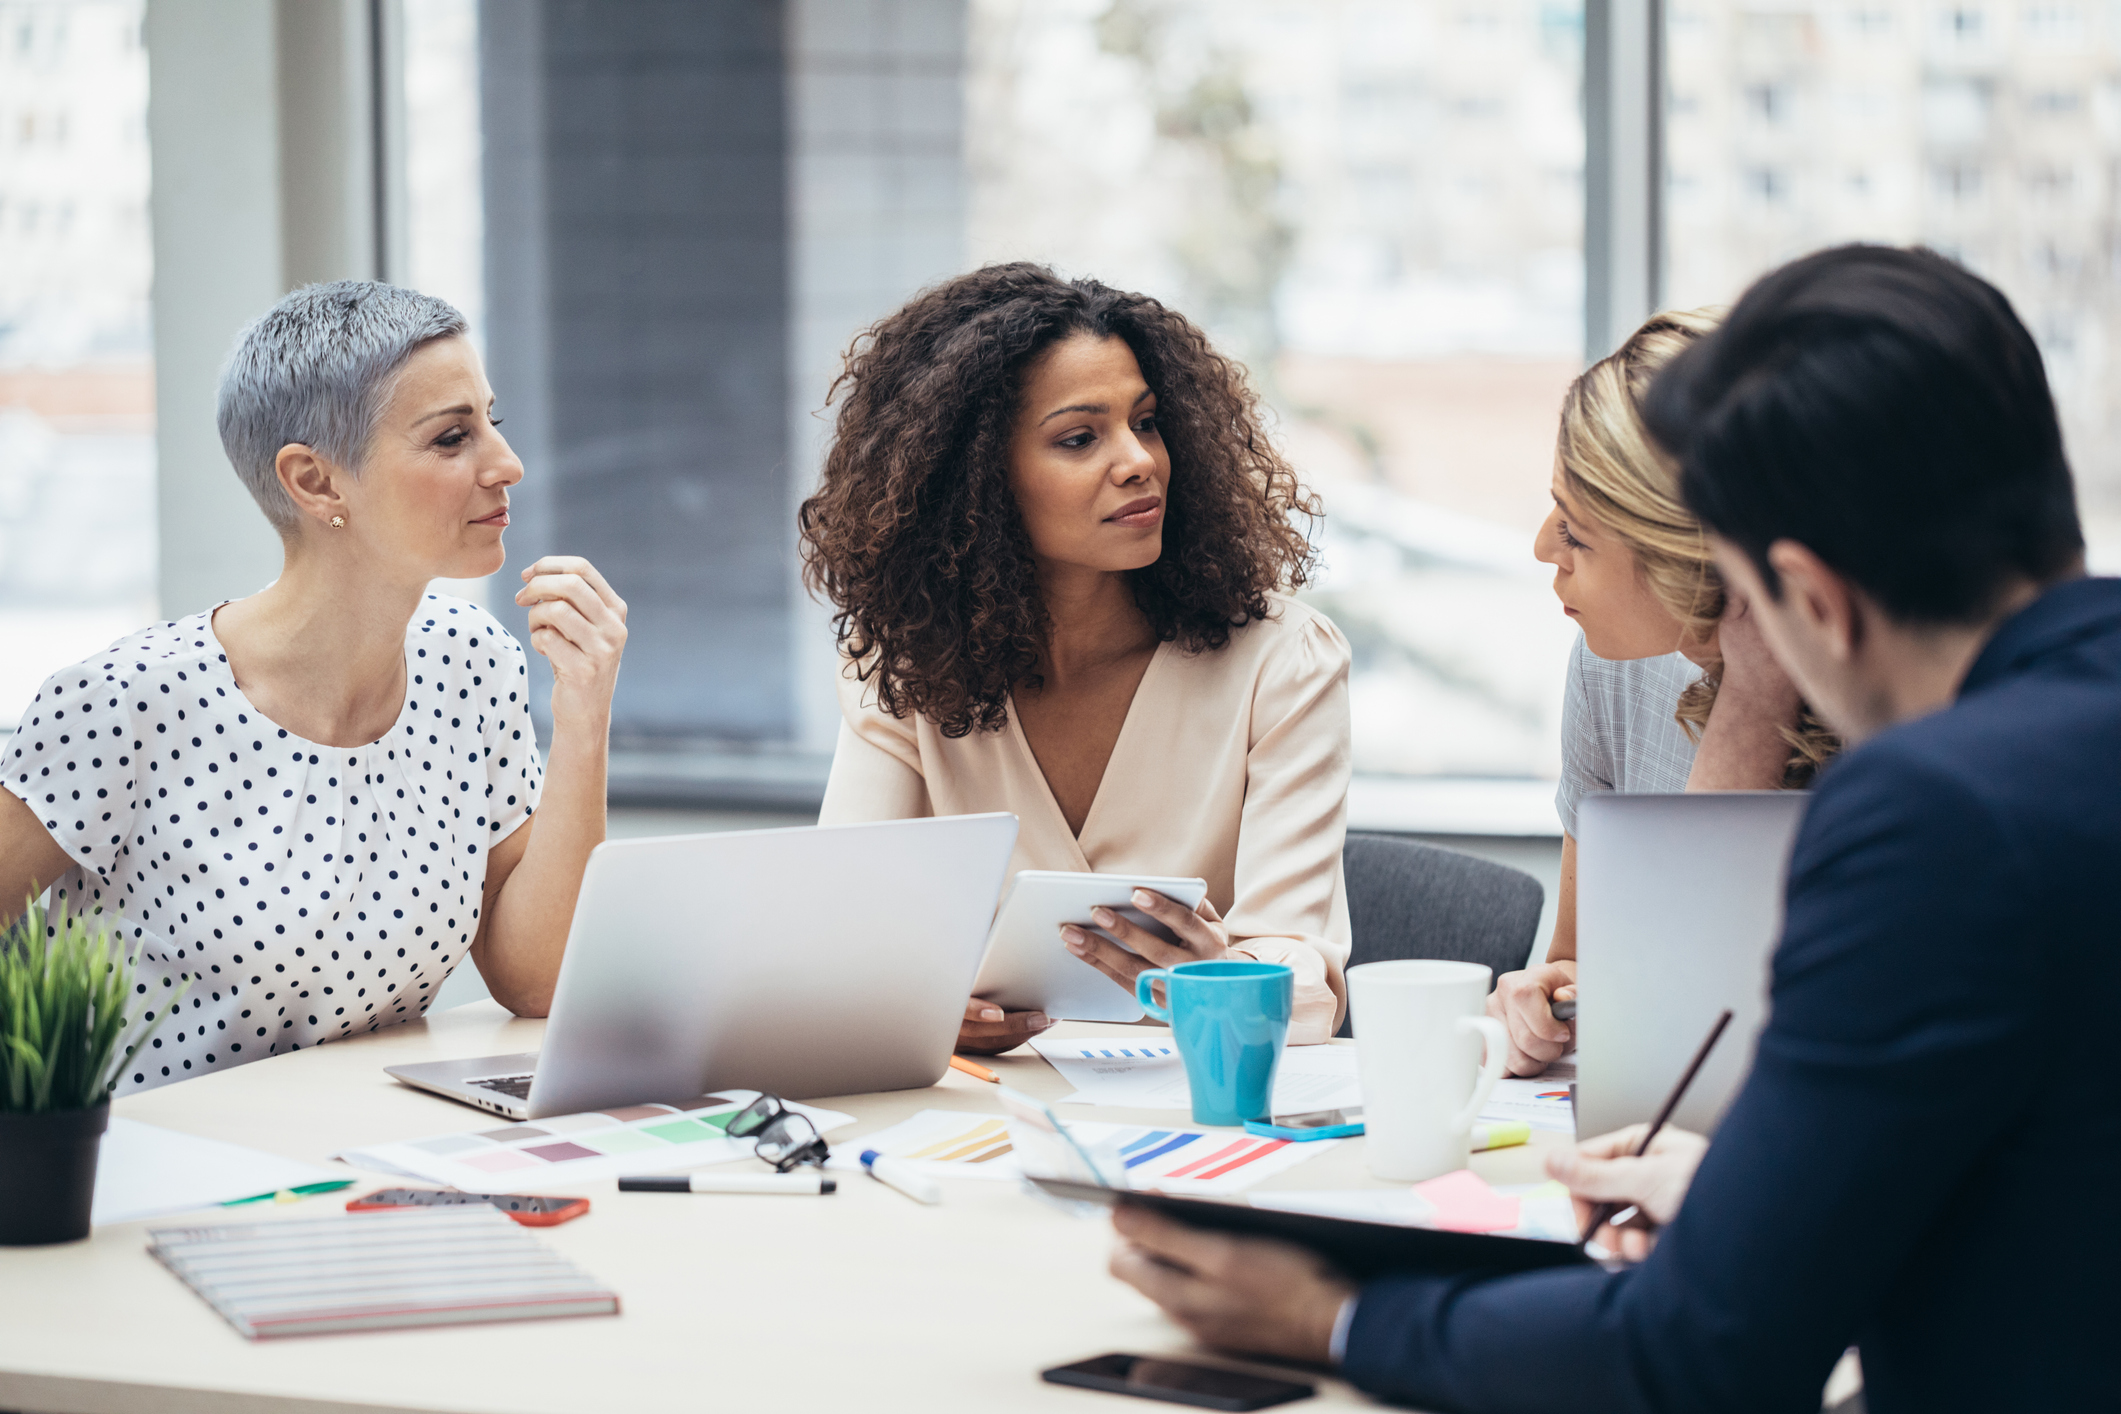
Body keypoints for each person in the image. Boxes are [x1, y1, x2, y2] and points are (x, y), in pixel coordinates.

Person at [1106, 244, 2115, 1411]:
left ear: (1812, 606)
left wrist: (1329, 1312)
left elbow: (1698, 1354)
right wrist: (1767, 1192)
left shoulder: (1938, 815)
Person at [0, 281, 627, 1092]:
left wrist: (584, 716)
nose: (505, 464)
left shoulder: (472, 662)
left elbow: (537, 979)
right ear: (316, 482)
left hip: (368, 1158)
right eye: (450, 438)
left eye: (491, 423)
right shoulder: (125, 703)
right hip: (155, 1177)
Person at [800, 263, 1352, 1050]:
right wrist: (920, 1003)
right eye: (1078, 438)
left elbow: (1305, 990)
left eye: (1148, 422)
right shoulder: (902, 669)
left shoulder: (1281, 661)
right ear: (975, 481)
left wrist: (1217, 977)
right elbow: (836, 936)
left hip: (1197, 1105)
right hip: (983, 1121)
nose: (1139, 461)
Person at [1491, 309, 1837, 1076]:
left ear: (1691, 560)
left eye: (1576, 531)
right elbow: (1583, 965)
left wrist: (1751, 695)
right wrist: (1547, 1003)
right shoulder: (1610, 665)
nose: (1543, 547)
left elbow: (1711, 1036)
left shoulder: (1888, 719)